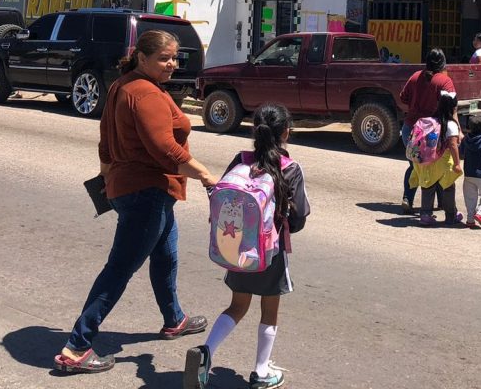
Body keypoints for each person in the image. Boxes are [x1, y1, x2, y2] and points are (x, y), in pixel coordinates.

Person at [54, 30, 218, 374]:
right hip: (147, 194)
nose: (171, 64)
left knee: (166, 255)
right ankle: (76, 348)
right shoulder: (145, 95)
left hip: (136, 190)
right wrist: (205, 174)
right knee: (118, 270)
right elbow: (166, 151)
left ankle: (174, 319)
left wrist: (106, 180)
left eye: (175, 58)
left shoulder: (122, 86)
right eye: (163, 58)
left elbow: (104, 144)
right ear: (142, 57)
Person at [184, 104, 310, 389]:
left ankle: (205, 352)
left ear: (255, 131)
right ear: (286, 133)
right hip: (270, 252)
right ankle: (261, 372)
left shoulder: (240, 159)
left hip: (237, 248)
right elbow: (299, 218)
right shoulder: (290, 168)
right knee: (269, 310)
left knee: (237, 305)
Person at [397, 49, 455, 214]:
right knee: (436, 165)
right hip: (433, 133)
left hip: (411, 129)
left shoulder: (415, 76)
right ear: (443, 63)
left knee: (414, 166)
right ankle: (438, 204)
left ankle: (407, 198)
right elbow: (451, 107)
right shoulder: (445, 81)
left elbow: (403, 97)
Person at [410, 91, 464, 225]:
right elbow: (452, 145)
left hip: (426, 160)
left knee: (428, 186)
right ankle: (451, 216)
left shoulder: (430, 121)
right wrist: (457, 163)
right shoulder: (450, 124)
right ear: (453, 108)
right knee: (448, 187)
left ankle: (425, 215)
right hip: (443, 162)